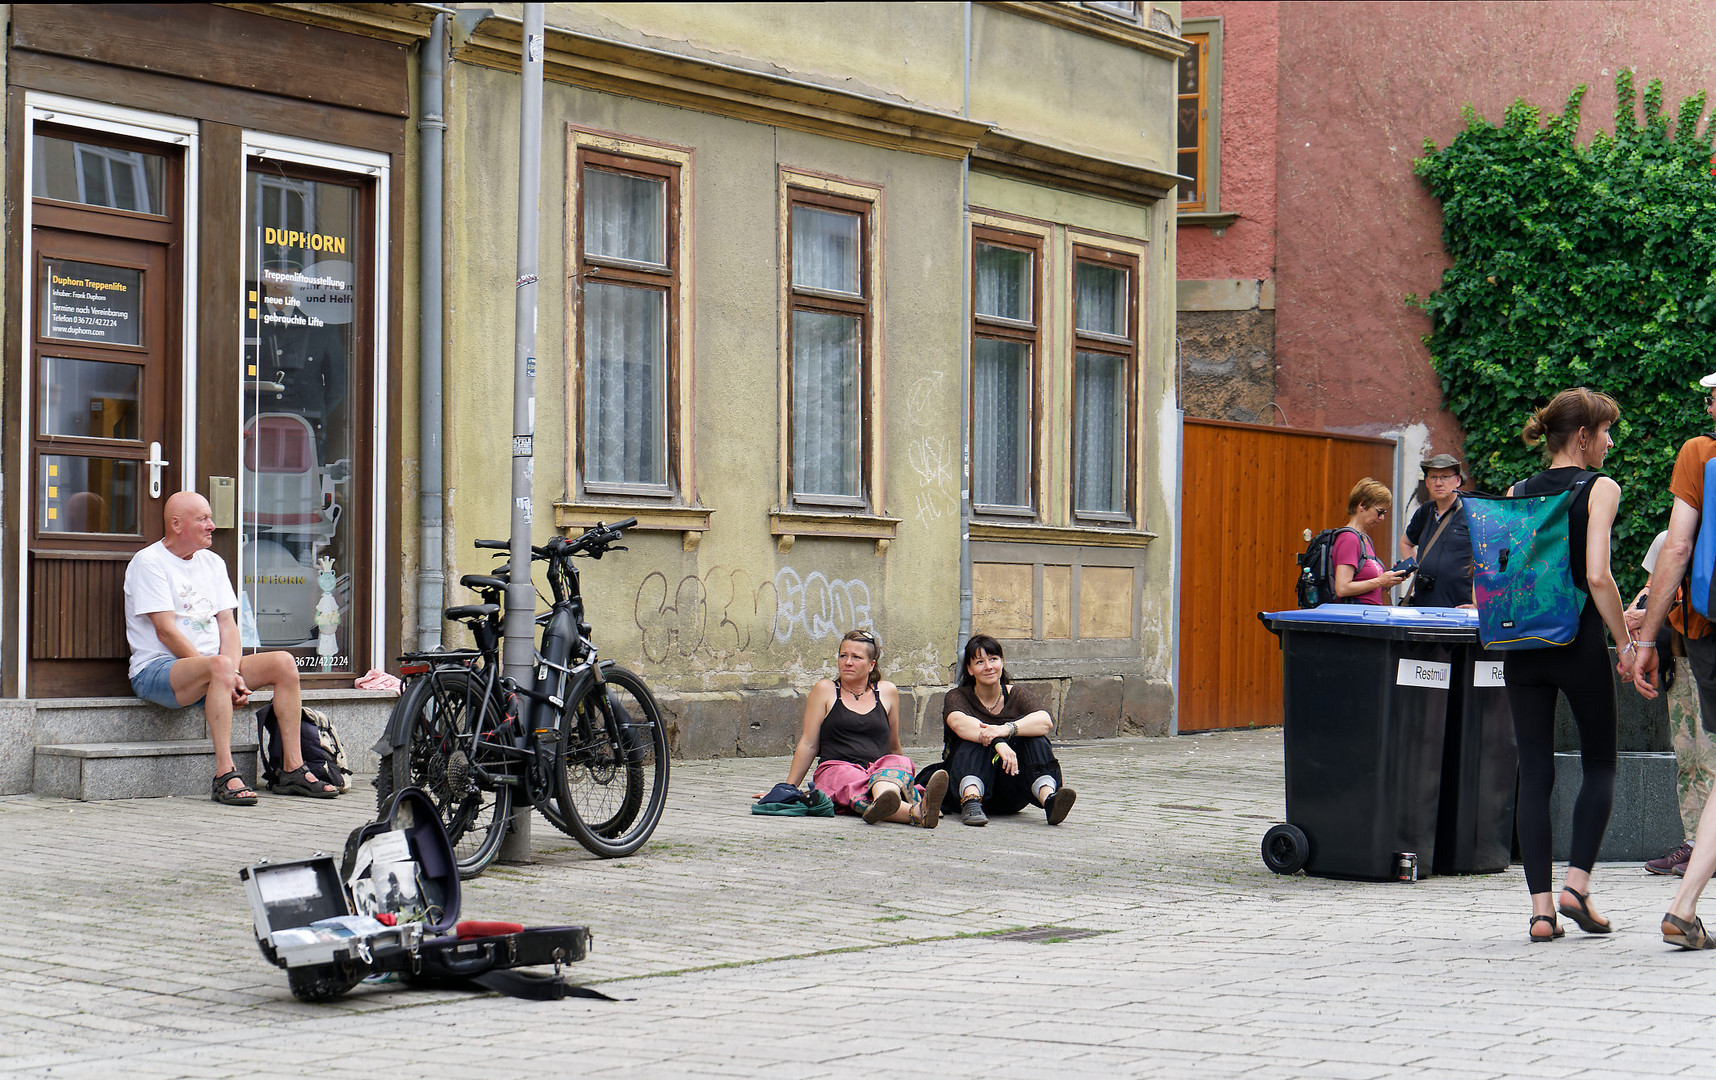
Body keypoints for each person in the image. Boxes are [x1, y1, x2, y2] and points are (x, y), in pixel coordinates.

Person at [1503, 388, 1634, 942]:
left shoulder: (1517, 492)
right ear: (1583, 437)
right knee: (1600, 762)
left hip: (1523, 646)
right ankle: (1576, 886)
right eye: (1605, 432)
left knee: (1535, 772)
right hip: (1577, 644)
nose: (1609, 441)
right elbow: (1598, 575)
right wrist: (1625, 641)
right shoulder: (1600, 487)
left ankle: (1539, 912)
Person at [124, 490, 339, 805]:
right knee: (220, 664)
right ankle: (225, 775)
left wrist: (234, 673)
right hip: (158, 671)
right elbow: (166, 631)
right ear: (177, 524)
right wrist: (222, 672)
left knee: (282, 663)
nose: (212, 525)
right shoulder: (149, 562)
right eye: (203, 519)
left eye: (210, 518)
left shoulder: (212, 562)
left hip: (216, 672)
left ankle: (291, 769)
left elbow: (227, 624)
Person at [1628, 373, 1716, 947]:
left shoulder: (1698, 454)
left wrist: (1646, 640)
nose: (1708, 403)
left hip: (1709, 628)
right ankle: (1683, 907)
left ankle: (1684, 906)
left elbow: (1677, 548)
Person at [775, 630, 946, 827]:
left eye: (856, 657)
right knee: (854, 781)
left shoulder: (887, 691)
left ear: (871, 664)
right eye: (843, 656)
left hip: (878, 772)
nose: (848, 662)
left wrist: (904, 779)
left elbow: (893, 746)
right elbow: (808, 743)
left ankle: (884, 800)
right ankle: (917, 812)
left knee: (898, 761)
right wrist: (788, 788)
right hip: (837, 770)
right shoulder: (825, 690)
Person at [1625, 532, 1716, 877]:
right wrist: (1632, 620)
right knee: (1687, 757)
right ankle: (1693, 844)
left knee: (1711, 759)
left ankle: (1709, 850)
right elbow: (1652, 589)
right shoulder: (1668, 538)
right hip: (1678, 656)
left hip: (1709, 658)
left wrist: (1657, 612)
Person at [941, 634, 1075, 827]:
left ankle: (1050, 800)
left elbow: (1045, 721)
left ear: (1002, 662)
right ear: (970, 670)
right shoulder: (957, 696)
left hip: (1014, 788)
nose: (988, 667)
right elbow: (959, 723)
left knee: (1035, 739)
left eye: (993, 659)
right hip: (966, 787)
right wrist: (997, 742)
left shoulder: (1017, 694)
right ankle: (971, 802)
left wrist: (1006, 729)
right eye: (980, 662)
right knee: (974, 740)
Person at [1397, 454, 1474, 608]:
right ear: (1426, 482)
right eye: (1433, 477)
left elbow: (1487, 560)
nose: (1438, 483)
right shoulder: (1425, 511)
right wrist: (1416, 568)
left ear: (1458, 480)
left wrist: (1477, 603)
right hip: (1424, 604)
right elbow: (1406, 543)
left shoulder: (1471, 512)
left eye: (1445, 477)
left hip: (1460, 606)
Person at [1331, 478, 1408, 605]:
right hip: (1355, 618)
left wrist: (1388, 579)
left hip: (1368, 615)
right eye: (1379, 512)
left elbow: (1366, 585)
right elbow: (1342, 588)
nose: (1382, 518)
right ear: (1362, 505)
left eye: (1384, 513)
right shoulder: (1349, 539)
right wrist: (1380, 581)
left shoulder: (1365, 539)